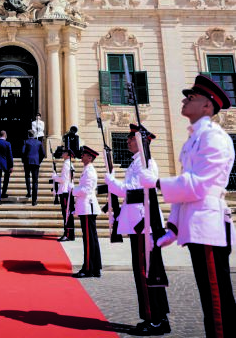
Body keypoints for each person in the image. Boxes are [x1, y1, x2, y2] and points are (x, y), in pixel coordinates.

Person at [139, 75, 236, 338]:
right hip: (197, 225)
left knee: (217, 301)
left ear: (207, 106)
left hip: (209, 226)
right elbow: (185, 193)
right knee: (209, 298)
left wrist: (158, 182)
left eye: (191, 98)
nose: (184, 100)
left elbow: (198, 185)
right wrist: (172, 227)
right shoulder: (194, 139)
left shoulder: (214, 138)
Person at [105, 124, 170, 336]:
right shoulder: (136, 163)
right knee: (142, 271)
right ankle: (153, 317)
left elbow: (134, 193)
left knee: (147, 272)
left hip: (145, 224)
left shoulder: (147, 163)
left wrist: (112, 183)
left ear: (142, 141)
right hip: (138, 225)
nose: (128, 141)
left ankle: (155, 318)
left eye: (132, 138)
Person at [72, 145, 102, 278]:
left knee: (89, 240)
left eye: (84, 155)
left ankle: (88, 268)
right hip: (86, 207)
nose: (82, 156)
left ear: (90, 157)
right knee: (92, 239)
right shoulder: (87, 169)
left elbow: (86, 189)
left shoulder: (89, 171)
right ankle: (95, 267)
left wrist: (73, 190)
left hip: (87, 207)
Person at [52, 147, 75, 241]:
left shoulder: (66, 164)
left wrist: (55, 177)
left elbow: (63, 179)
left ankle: (68, 234)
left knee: (67, 214)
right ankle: (70, 234)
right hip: (67, 190)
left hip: (65, 191)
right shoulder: (69, 164)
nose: (62, 153)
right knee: (68, 213)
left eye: (64, 152)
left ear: (68, 155)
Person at [22, 129, 46, 206]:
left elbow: (23, 152)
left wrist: (24, 160)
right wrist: (39, 161)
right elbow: (43, 153)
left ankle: (29, 192)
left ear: (28, 135)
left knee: (27, 177)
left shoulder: (26, 142)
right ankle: (34, 201)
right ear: (34, 135)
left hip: (27, 162)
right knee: (35, 181)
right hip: (35, 163)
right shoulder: (39, 142)